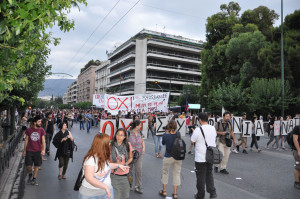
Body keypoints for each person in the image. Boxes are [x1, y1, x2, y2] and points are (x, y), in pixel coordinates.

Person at [79, 134, 128, 199]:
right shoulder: (91, 159)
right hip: (90, 194)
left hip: (106, 193)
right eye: (108, 142)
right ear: (103, 145)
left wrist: (118, 165)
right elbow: (89, 178)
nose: (110, 144)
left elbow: (106, 166)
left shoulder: (103, 155)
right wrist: (105, 187)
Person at [192, 113, 217, 199]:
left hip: (200, 156)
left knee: (200, 176)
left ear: (200, 120)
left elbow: (192, 141)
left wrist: (193, 131)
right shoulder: (213, 128)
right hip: (210, 155)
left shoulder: (198, 130)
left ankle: (200, 195)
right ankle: (212, 192)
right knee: (209, 174)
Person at [159, 119, 182, 199]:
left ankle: (164, 191)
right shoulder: (178, 134)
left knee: (165, 173)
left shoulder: (165, 135)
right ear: (176, 127)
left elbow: (163, 143)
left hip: (168, 156)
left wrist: (166, 133)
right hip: (178, 157)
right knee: (176, 174)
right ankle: (175, 193)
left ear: (168, 127)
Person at [110, 128, 133, 199]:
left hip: (125, 175)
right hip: (113, 175)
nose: (119, 137)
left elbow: (130, 158)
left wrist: (125, 164)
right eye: (117, 134)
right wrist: (116, 166)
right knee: (116, 196)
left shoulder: (128, 145)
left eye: (121, 135)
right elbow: (107, 161)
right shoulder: (110, 145)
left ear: (125, 137)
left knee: (125, 196)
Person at [23, 115, 46, 186]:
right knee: (28, 165)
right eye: (39, 121)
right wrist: (24, 150)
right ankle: (30, 174)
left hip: (38, 150)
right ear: (35, 122)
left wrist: (43, 149)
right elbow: (26, 140)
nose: (40, 123)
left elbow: (43, 140)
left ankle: (34, 178)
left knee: (37, 165)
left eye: (41, 121)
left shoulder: (41, 130)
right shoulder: (29, 130)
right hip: (29, 150)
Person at [127, 120, 145, 194]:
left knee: (139, 170)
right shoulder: (128, 133)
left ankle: (138, 186)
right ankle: (130, 184)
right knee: (129, 170)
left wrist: (143, 148)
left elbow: (143, 141)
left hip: (139, 154)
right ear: (136, 125)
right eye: (140, 125)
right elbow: (125, 143)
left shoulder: (140, 132)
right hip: (130, 154)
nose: (141, 126)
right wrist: (131, 149)